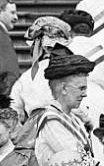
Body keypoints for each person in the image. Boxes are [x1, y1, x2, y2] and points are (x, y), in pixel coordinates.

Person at [9, 16, 72, 147]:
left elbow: (13, 110)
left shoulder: (26, 77)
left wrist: (22, 132)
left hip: (34, 129)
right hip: (64, 126)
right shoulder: (69, 73)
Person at [35, 49, 97, 166]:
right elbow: (76, 160)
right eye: (81, 88)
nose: (85, 94)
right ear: (63, 89)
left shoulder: (73, 117)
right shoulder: (51, 121)